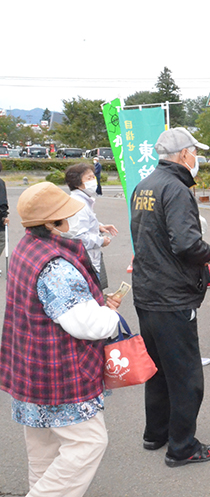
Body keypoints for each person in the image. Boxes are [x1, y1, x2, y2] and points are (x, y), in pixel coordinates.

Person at [0, 182, 122, 497]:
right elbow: (85, 324)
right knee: (89, 442)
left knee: (44, 447)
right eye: (65, 217)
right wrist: (109, 316)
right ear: (55, 223)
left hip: (30, 366)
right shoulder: (56, 265)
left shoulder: (26, 248)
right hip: (59, 373)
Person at [130, 127, 210, 467]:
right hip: (172, 296)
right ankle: (182, 446)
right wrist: (209, 253)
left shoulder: (145, 185)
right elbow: (185, 243)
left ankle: (156, 433)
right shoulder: (176, 188)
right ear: (184, 154)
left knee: (158, 370)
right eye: (194, 152)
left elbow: (142, 235)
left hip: (147, 290)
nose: (196, 158)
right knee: (185, 375)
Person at [65, 163, 118, 290]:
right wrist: (101, 241)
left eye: (94, 177)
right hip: (86, 261)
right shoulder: (80, 204)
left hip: (89, 259)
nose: (93, 180)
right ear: (77, 184)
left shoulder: (82, 200)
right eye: (89, 178)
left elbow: (83, 224)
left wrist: (99, 226)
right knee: (94, 294)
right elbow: (79, 237)